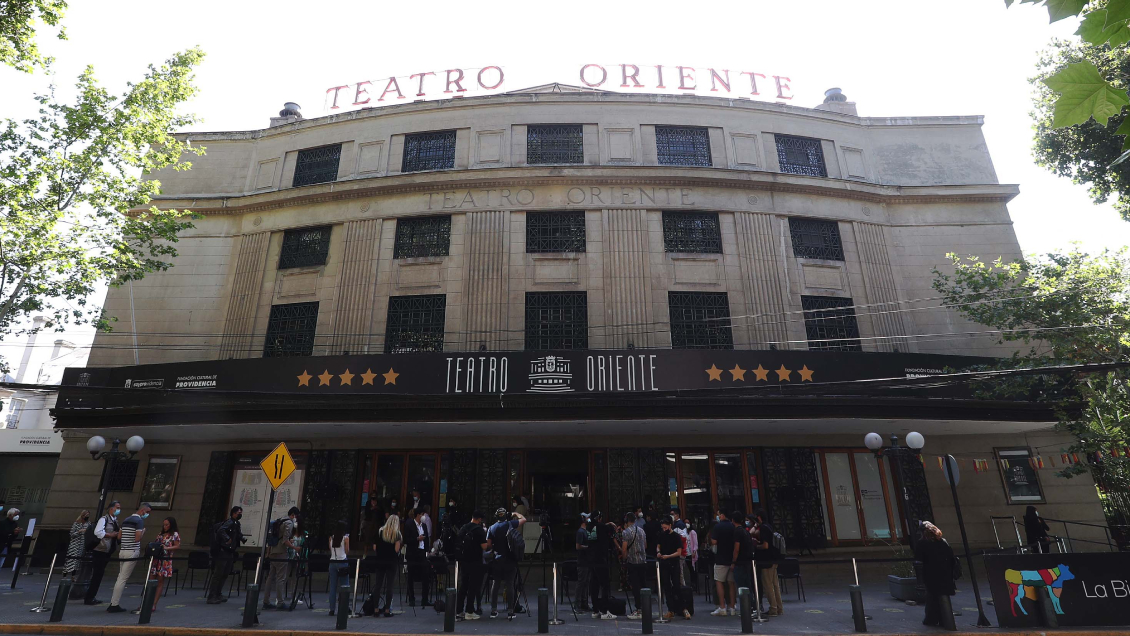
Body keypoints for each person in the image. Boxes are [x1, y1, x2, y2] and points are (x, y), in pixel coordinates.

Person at [108, 502, 151, 613]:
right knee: (123, 578)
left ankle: (113, 602)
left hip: (122, 550)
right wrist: (143, 532)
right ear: (143, 511)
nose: (148, 515)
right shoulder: (139, 521)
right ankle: (114, 604)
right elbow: (137, 538)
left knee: (120, 577)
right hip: (132, 551)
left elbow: (119, 536)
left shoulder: (126, 519)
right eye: (148, 512)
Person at [914, 521, 956, 627]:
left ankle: (931, 619)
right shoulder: (942, 541)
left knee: (932, 597)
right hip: (945, 573)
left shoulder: (922, 543)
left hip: (931, 574)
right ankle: (944, 619)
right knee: (942, 596)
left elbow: (919, 560)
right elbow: (951, 557)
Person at [488, 508, 526, 620]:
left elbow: (489, 545)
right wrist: (515, 513)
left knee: (495, 585)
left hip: (497, 559)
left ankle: (493, 610)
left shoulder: (492, 528)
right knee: (509, 585)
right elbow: (524, 519)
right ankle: (510, 611)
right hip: (510, 559)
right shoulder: (510, 524)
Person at [261, 506, 300, 610]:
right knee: (280, 578)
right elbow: (285, 541)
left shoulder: (279, 521)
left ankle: (266, 601)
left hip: (273, 551)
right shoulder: (289, 523)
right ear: (294, 515)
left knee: (270, 577)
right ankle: (280, 602)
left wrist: (268, 553)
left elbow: (272, 538)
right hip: (281, 552)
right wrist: (295, 547)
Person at [84, 501, 121, 605]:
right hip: (100, 549)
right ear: (111, 508)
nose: (118, 510)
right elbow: (98, 532)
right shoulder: (104, 519)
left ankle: (91, 596)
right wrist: (110, 535)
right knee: (97, 574)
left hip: (107, 550)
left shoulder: (115, 521)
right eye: (117, 507)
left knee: (99, 574)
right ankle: (89, 597)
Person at [456, 510, 490, 620]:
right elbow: (484, 547)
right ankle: (469, 611)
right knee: (473, 586)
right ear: (479, 519)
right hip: (475, 561)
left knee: (463, 586)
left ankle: (459, 610)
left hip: (464, 561)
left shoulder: (463, 528)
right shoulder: (479, 530)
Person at [207, 506, 244, 604]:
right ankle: (212, 595)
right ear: (234, 513)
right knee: (218, 574)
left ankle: (218, 594)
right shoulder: (230, 522)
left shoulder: (237, 523)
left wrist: (242, 538)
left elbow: (238, 534)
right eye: (239, 512)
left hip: (230, 552)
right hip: (223, 551)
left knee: (225, 573)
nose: (240, 514)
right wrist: (227, 538)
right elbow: (221, 530)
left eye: (241, 512)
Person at [658, 516, 691, 620]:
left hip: (673, 563)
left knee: (677, 586)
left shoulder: (676, 536)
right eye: (663, 527)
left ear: (670, 525)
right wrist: (658, 552)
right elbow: (658, 545)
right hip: (664, 563)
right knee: (667, 586)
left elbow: (679, 552)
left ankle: (683, 608)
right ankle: (670, 609)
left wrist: (668, 556)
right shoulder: (661, 535)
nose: (664, 529)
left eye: (665, 527)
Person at [369, 514, 401, 617]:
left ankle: (376, 609)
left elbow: (374, 547)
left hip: (380, 560)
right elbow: (396, 549)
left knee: (378, 585)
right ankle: (387, 609)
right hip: (391, 561)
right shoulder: (397, 534)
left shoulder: (380, 531)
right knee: (389, 586)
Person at [586, 510, 616, 620]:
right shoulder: (602, 527)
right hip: (601, 558)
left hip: (591, 559)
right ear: (599, 518)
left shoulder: (589, 527)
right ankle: (604, 611)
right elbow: (612, 531)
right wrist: (610, 525)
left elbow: (599, 526)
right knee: (605, 584)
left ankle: (595, 610)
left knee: (594, 584)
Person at [753, 509, 782, 616]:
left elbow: (765, 545)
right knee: (775, 585)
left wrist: (756, 546)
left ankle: (773, 608)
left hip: (766, 560)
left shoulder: (763, 528)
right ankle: (779, 607)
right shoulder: (769, 526)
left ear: (759, 517)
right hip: (773, 559)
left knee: (768, 585)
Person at [709, 509, 738, 616]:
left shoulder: (718, 527)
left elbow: (714, 541)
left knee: (719, 582)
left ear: (722, 515)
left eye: (719, 514)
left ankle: (722, 607)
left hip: (720, 558)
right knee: (731, 583)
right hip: (731, 558)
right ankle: (732, 606)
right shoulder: (733, 526)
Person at [620, 511, 649, 619]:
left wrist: (624, 559)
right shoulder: (641, 531)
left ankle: (639, 609)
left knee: (635, 586)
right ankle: (646, 607)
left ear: (626, 521)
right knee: (643, 584)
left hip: (632, 562)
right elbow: (645, 545)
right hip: (643, 561)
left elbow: (624, 549)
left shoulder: (626, 532)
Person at [149, 517, 181, 612]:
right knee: (151, 581)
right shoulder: (161, 534)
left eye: (167, 525)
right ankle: (147, 601)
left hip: (165, 560)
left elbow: (177, 546)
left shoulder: (174, 534)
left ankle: (154, 604)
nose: (165, 526)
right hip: (156, 559)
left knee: (160, 581)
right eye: (164, 524)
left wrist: (166, 548)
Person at [404, 508, 431, 607]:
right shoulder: (409, 524)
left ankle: (425, 599)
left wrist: (427, 550)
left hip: (422, 553)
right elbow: (406, 539)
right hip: (413, 553)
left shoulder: (423, 525)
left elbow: (427, 538)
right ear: (418, 515)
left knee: (426, 575)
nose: (423, 516)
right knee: (411, 576)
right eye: (421, 514)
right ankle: (411, 598)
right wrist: (417, 539)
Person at [732, 513, 756, 607]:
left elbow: (736, 549)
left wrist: (733, 562)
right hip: (747, 561)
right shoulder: (745, 531)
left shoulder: (737, 532)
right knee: (748, 584)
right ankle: (751, 605)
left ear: (733, 520)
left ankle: (747, 606)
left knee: (742, 585)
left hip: (740, 562)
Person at [327, 521, 350, 616]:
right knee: (344, 585)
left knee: (333, 586)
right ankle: (344, 607)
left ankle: (332, 609)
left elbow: (330, 550)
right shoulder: (345, 538)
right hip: (342, 561)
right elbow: (347, 551)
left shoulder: (331, 538)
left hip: (332, 562)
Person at [64, 510, 91, 580]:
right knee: (70, 560)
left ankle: (73, 575)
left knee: (77, 561)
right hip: (74, 544)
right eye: (86, 515)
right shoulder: (76, 523)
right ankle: (65, 575)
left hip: (82, 545)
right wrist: (79, 531)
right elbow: (72, 534)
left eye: (88, 515)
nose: (87, 517)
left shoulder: (88, 524)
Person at [574, 513, 592, 612]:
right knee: (581, 582)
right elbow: (578, 546)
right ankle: (577, 604)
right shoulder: (581, 532)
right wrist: (588, 547)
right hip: (582, 561)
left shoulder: (586, 531)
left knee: (586, 583)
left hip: (587, 560)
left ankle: (584, 603)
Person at [686, 521, 700, 592]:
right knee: (690, 569)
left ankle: (694, 584)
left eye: (688, 522)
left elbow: (695, 543)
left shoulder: (693, 532)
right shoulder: (685, 532)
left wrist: (694, 551)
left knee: (693, 570)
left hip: (692, 553)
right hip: (687, 553)